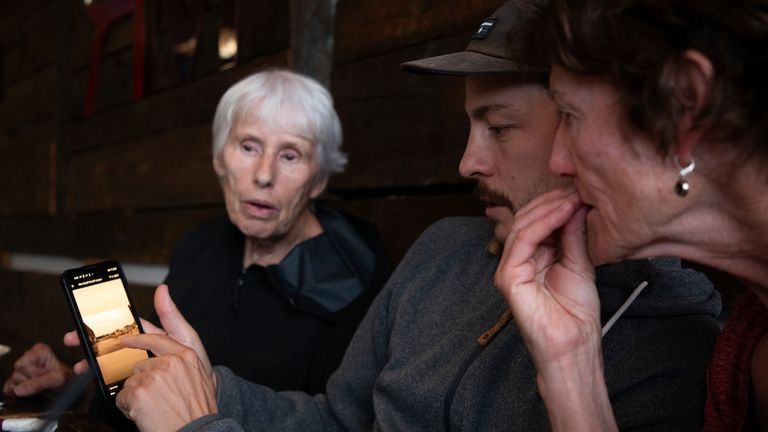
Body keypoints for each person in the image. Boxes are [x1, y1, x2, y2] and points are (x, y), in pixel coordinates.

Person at [67, 1, 720, 430]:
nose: (467, 162)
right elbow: (339, 420)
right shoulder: (445, 250)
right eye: (246, 148)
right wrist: (198, 381)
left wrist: (200, 423)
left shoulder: (673, 342)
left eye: (499, 127)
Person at [3, 69, 391, 424]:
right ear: (219, 158)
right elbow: (161, 390)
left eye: (290, 155)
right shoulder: (200, 245)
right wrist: (78, 386)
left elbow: (340, 421)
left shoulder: (355, 279)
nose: (263, 175)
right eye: (249, 147)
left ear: (319, 179)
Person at [491, 0, 768, 430]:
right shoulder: (751, 347)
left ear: (685, 104)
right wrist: (570, 367)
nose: (558, 162)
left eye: (569, 114)